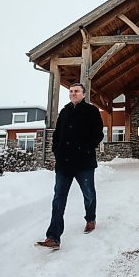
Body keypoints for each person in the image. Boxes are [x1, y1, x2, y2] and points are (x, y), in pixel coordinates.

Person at [36, 83, 104, 250]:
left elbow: (98, 134)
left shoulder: (91, 111)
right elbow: (57, 134)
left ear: (83, 94)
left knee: (88, 193)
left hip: (84, 162)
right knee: (58, 198)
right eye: (71, 91)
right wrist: (56, 150)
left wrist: (86, 148)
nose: (73, 93)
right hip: (64, 163)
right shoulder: (64, 111)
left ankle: (90, 218)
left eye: (76, 91)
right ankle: (53, 236)